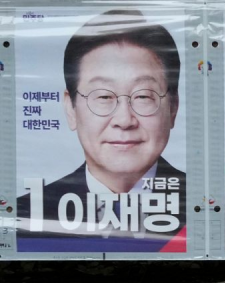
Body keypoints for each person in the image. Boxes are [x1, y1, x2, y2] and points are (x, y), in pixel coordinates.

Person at [17, 9, 186, 252]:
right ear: (71, 108)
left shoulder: (206, 208)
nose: (124, 120)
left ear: (173, 108)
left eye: (143, 96)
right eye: (104, 96)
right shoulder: (26, 215)